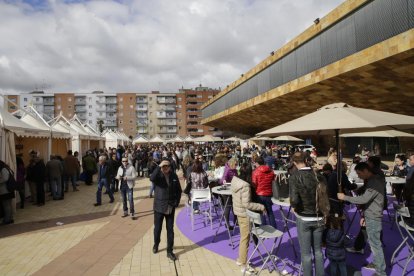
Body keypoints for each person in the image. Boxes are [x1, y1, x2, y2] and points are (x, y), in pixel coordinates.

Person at [338, 162, 386, 276]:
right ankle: (377, 264)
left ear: (366, 171)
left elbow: (364, 199)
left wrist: (345, 197)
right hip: (371, 214)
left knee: (375, 245)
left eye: (359, 174)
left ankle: (381, 272)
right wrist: (364, 215)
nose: (358, 176)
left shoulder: (374, 182)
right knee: (374, 243)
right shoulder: (373, 180)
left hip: (374, 216)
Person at [289, 152, 328, 276]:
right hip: (319, 216)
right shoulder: (318, 175)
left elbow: (294, 200)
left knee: (306, 253)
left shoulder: (294, 176)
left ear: (294, 163)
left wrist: (294, 208)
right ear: (306, 160)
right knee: (318, 251)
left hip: (304, 218)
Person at [231, 176, 265, 275]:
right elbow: (247, 204)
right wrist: (261, 207)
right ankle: (243, 263)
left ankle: (241, 259)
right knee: (245, 239)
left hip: (238, 212)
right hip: (244, 214)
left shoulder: (235, 181)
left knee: (243, 237)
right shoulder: (245, 186)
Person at [150, 159, 182, 261]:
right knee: (157, 229)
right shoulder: (158, 175)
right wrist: (159, 166)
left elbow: (179, 190)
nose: (165, 168)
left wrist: (176, 202)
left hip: (170, 207)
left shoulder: (173, 176)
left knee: (170, 230)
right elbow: (152, 178)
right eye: (163, 166)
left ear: (170, 166)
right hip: (159, 207)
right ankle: (156, 244)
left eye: (167, 166)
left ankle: (169, 251)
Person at [251, 156, 276, 228]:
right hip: (269, 194)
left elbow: (254, 184)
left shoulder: (255, 172)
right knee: (270, 212)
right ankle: (274, 228)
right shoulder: (271, 171)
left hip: (259, 194)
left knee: (261, 212)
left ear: (257, 163)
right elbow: (273, 181)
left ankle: (263, 228)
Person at [0, 160, 15, 224]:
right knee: (9, 205)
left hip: (5, 190)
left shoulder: (3, 169)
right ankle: (10, 218)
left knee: (6, 206)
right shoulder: (7, 168)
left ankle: (7, 220)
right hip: (9, 190)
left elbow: (5, 179)